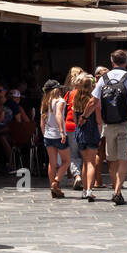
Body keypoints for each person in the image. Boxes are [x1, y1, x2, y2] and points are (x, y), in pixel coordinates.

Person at [93, 50, 127, 206]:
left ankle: (116, 188)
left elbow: (93, 101)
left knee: (111, 160)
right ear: (126, 61)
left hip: (108, 125)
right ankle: (117, 191)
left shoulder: (103, 79)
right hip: (126, 123)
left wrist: (83, 117)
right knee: (123, 159)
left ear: (111, 60)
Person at [66, 73, 101, 202]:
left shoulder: (76, 99)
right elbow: (98, 119)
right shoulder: (94, 101)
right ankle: (89, 191)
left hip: (80, 132)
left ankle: (84, 190)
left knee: (85, 162)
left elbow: (75, 120)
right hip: (92, 132)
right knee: (91, 162)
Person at [39, 79, 70, 197]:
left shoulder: (44, 103)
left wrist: (44, 134)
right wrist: (62, 131)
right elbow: (58, 115)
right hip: (58, 135)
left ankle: (53, 188)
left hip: (48, 135)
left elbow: (42, 121)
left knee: (52, 163)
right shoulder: (60, 101)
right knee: (66, 161)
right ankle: (56, 182)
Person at [62, 67, 85, 189]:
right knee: (85, 155)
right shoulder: (86, 94)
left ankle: (77, 176)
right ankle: (87, 181)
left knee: (73, 155)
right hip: (83, 127)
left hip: (69, 126)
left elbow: (63, 111)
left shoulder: (68, 94)